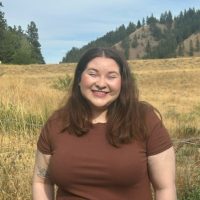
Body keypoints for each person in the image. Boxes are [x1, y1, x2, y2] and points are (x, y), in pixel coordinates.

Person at [32, 47, 177, 200]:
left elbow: (165, 188)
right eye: (92, 74)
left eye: (111, 76)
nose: (101, 83)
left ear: (123, 82)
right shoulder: (57, 123)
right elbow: (41, 182)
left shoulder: (145, 120)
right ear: (79, 79)